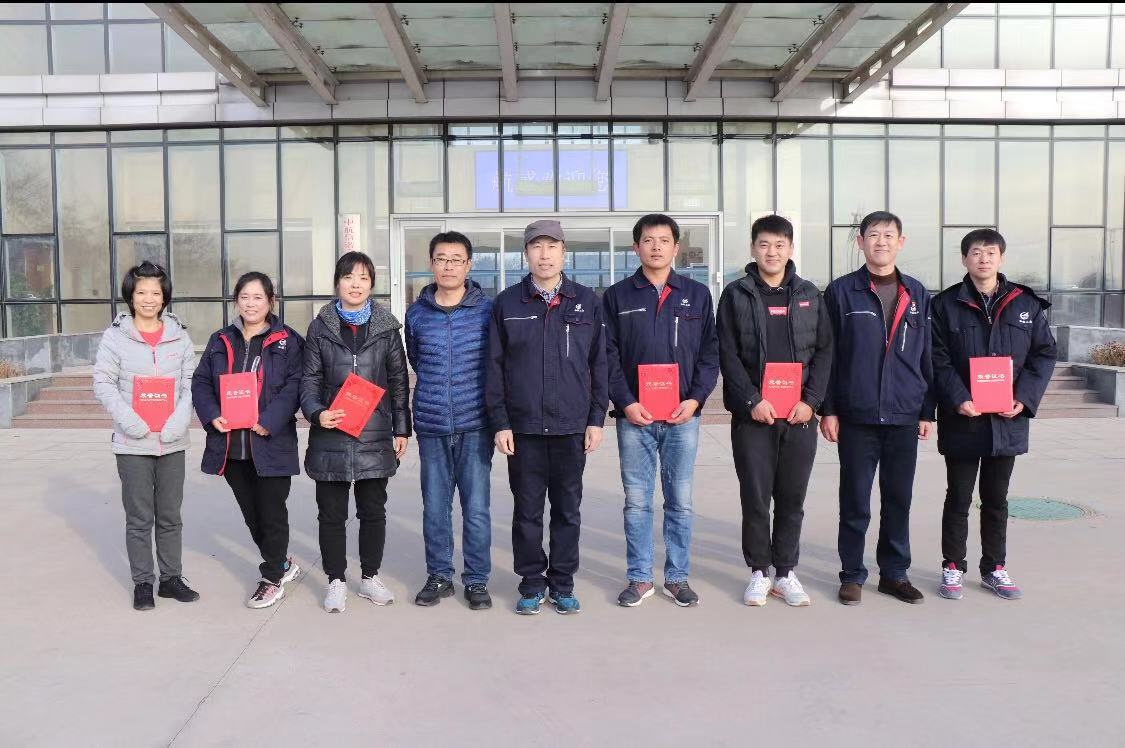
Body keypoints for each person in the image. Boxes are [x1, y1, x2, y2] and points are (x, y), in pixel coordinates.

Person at [486, 220, 608, 615]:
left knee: (568, 511)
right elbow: (494, 367)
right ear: (526, 253)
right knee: (527, 512)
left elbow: (600, 364)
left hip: (571, 427)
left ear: (563, 252)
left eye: (551, 246)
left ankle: (563, 583)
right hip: (523, 429)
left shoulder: (587, 301)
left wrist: (596, 419)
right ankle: (531, 583)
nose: (544, 255)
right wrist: (501, 422)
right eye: (536, 247)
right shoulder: (507, 304)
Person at [931, 229, 1056, 601]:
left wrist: (1023, 398)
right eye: (975, 252)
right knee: (958, 497)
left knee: (996, 499)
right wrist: (957, 397)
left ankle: (994, 568)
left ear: (1001, 258)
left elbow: (1044, 354)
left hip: (1007, 419)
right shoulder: (945, 304)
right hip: (963, 418)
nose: (983, 259)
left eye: (990, 252)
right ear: (964, 259)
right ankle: (953, 566)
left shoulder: (1025, 303)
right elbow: (936, 357)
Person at [602, 214, 719, 608]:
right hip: (635, 418)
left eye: (664, 240)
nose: (656, 247)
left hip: (682, 417)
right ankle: (639, 578)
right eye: (648, 240)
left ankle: (677, 577)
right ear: (636, 247)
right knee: (637, 502)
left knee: (680, 502)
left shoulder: (697, 295)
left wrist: (696, 399)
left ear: (675, 247)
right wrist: (626, 401)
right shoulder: (617, 296)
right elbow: (607, 356)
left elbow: (710, 353)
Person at [717, 215, 833, 607]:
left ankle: (785, 573)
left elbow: (825, 351)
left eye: (779, 245)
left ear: (791, 249)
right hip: (754, 416)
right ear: (753, 248)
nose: (772, 252)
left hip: (799, 415)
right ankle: (758, 572)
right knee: (755, 497)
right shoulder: (736, 294)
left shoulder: (809, 294)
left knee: (791, 497)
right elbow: (728, 354)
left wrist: (811, 401)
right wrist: (752, 400)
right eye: (764, 244)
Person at [820, 211, 935, 606]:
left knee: (898, 500)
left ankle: (894, 574)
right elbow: (828, 355)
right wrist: (829, 409)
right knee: (855, 501)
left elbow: (927, 355)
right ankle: (852, 574)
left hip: (904, 414)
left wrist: (927, 411)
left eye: (888, 235)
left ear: (900, 242)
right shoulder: (841, 292)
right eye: (873, 235)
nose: (881, 242)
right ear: (860, 242)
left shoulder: (917, 293)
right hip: (857, 415)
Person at [300, 251, 411, 614]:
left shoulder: (386, 328)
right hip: (330, 432)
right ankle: (335, 580)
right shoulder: (320, 327)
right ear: (337, 283)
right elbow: (309, 379)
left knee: (373, 511)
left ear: (372, 284)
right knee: (331, 513)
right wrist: (317, 413)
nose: (355, 284)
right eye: (348, 277)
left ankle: (369, 577)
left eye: (363, 278)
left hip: (374, 433)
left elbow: (398, 381)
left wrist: (401, 428)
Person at [192, 272, 305, 609]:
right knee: (252, 514)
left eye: (258, 297)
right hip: (232, 446)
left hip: (270, 443)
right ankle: (281, 563)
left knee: (272, 512)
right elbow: (201, 382)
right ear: (236, 301)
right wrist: (212, 414)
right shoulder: (220, 339)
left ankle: (272, 578)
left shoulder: (288, 340)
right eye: (244, 297)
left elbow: (296, 384)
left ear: (271, 301)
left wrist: (270, 420)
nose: (250, 304)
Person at [92, 261, 198, 611]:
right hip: (132, 443)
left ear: (164, 297)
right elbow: (103, 383)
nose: (149, 299)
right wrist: (133, 423)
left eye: (155, 292)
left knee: (170, 516)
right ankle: (142, 582)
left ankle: (171, 579)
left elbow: (190, 384)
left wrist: (176, 424)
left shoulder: (179, 336)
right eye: (142, 292)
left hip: (172, 441)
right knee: (139, 519)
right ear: (131, 296)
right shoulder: (115, 337)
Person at [404, 232, 494, 611]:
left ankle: (476, 579)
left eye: (456, 259)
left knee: (476, 508)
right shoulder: (416, 313)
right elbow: (416, 359)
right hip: (432, 422)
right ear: (431, 263)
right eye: (441, 259)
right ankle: (439, 575)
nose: (449, 266)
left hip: (476, 423)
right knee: (435, 507)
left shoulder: (488, 311)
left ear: (469, 265)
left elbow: (495, 363)